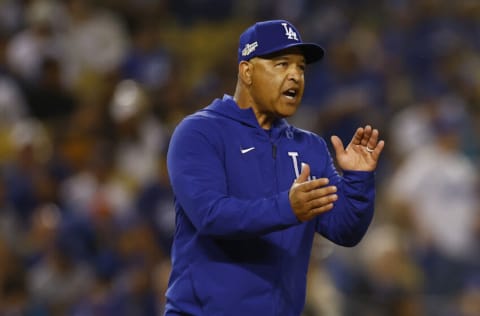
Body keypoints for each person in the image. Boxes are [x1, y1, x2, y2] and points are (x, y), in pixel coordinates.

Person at [164, 19, 385, 316]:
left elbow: (345, 230)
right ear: (247, 71)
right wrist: (287, 208)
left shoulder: (310, 147)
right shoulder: (199, 133)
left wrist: (358, 179)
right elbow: (210, 215)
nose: (295, 76)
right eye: (282, 64)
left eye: (301, 67)